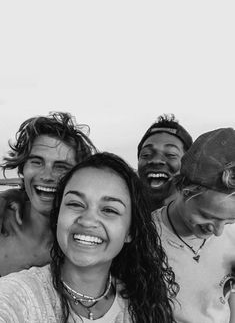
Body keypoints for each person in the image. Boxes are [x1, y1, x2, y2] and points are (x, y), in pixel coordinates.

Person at [0, 152, 178, 323]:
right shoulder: (16, 296)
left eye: (109, 210)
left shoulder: (142, 303)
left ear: (130, 231)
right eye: (76, 204)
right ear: (58, 216)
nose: (88, 221)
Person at [153, 127, 235, 323]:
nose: (218, 231)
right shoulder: (145, 237)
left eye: (230, 221)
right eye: (206, 216)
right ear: (183, 189)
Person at [0, 111, 96, 276]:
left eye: (61, 167)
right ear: (22, 168)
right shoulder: (3, 222)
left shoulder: (86, 240)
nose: (47, 176)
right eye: (37, 162)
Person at [137, 114, 193, 210]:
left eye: (171, 155)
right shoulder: (124, 214)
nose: (156, 160)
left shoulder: (201, 220)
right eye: (146, 154)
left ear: (190, 166)